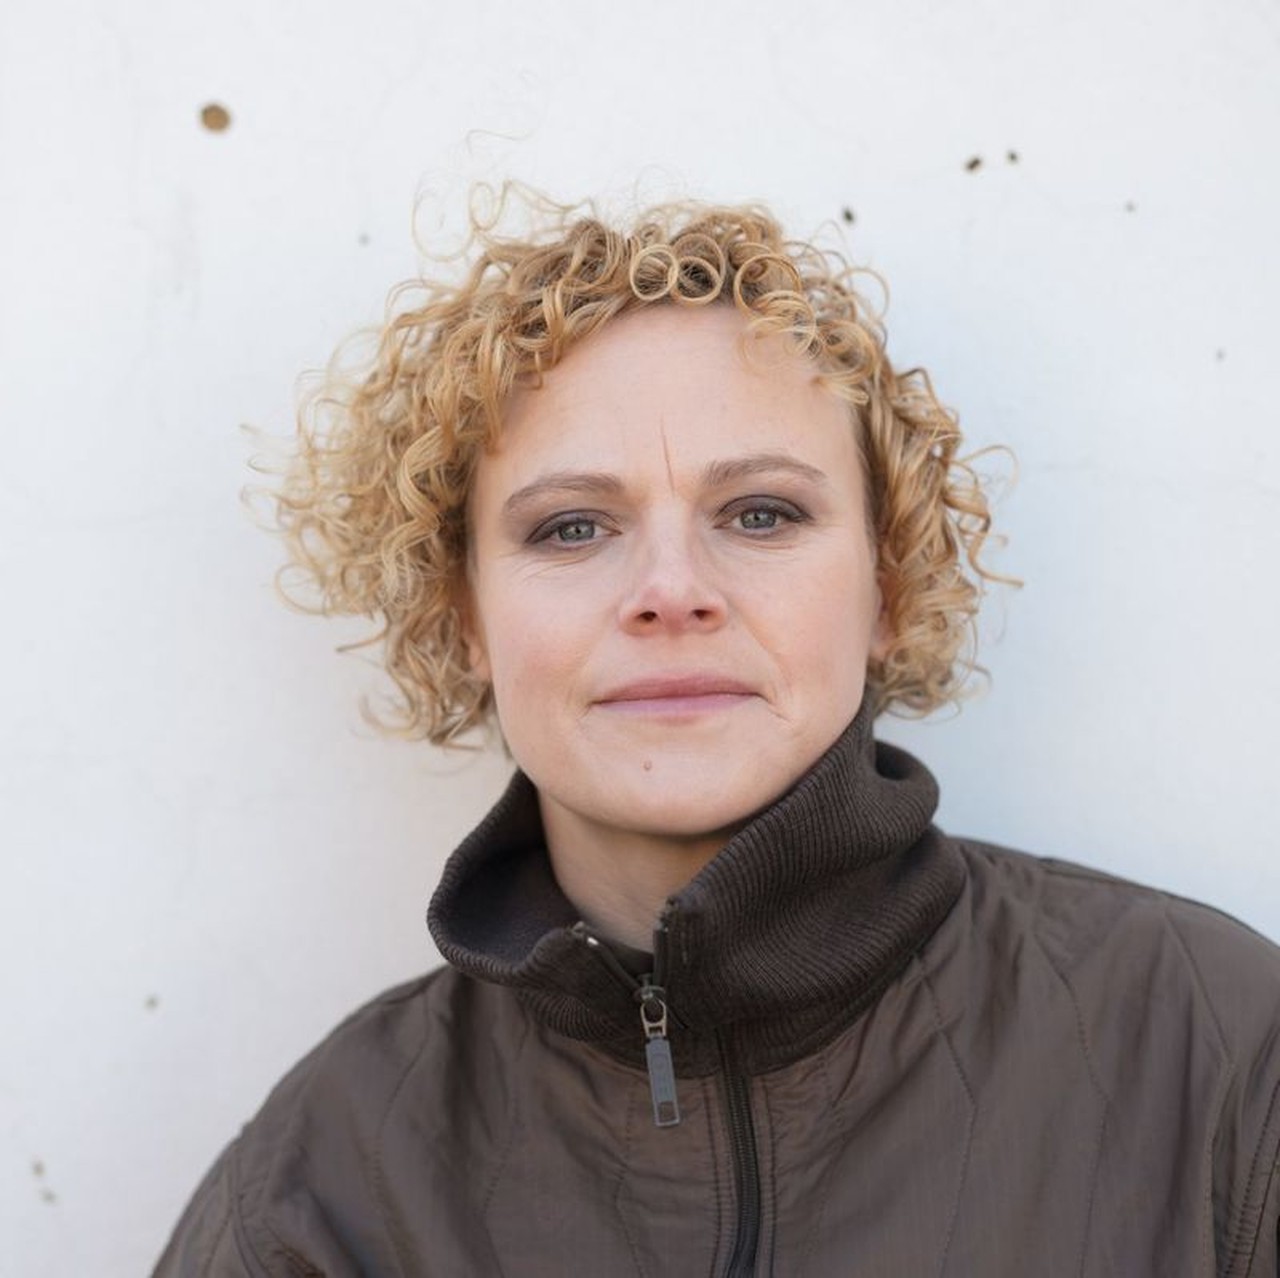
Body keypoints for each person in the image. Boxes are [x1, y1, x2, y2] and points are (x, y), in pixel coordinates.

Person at [156, 193, 1280, 1276]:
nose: (670, 591)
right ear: (466, 624)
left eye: (760, 513)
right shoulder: (321, 1189)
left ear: (887, 587)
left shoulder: (1216, 1055)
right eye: (571, 527)